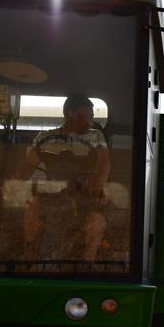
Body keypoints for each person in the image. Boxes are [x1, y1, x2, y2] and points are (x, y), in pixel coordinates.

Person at [10, 95, 110, 263]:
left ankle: (87, 263)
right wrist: (14, 182)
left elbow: (104, 164)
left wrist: (98, 184)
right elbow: (27, 167)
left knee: (96, 220)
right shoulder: (44, 138)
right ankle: (30, 254)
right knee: (31, 205)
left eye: (91, 117)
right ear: (69, 114)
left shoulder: (95, 136)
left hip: (84, 194)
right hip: (51, 193)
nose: (90, 121)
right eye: (85, 116)